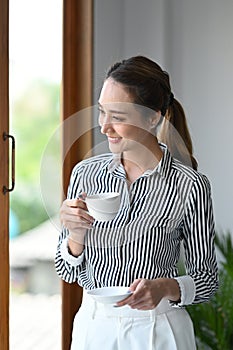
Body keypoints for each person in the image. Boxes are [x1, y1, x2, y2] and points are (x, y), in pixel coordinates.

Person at [55, 56, 218, 349]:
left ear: (152, 117)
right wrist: (76, 235)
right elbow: (67, 271)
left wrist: (165, 287)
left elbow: (206, 280)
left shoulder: (189, 185)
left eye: (118, 117)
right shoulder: (85, 174)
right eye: (102, 112)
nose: (104, 127)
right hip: (94, 328)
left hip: (158, 329)